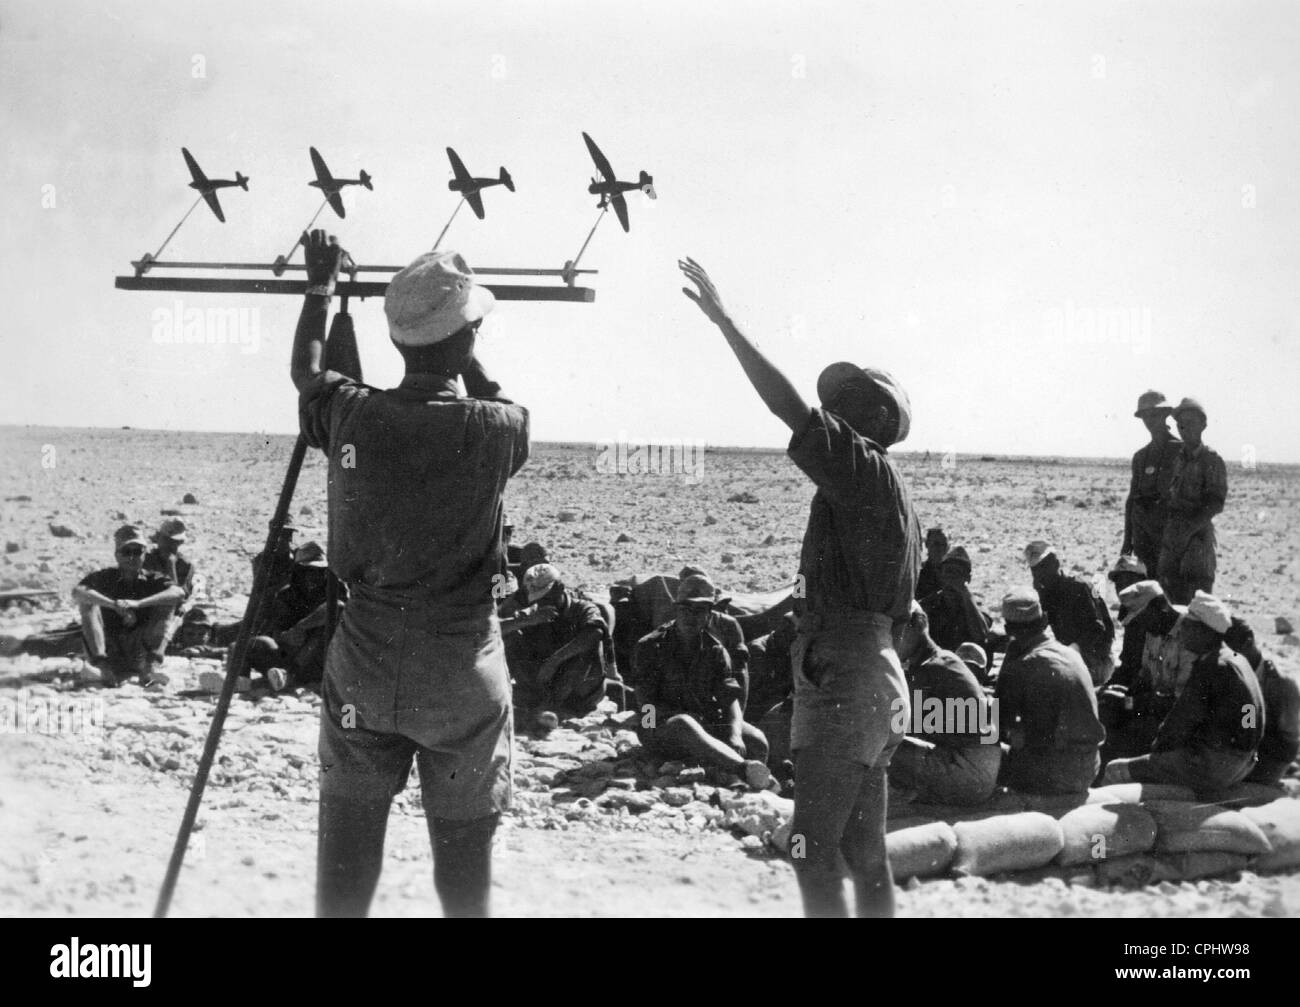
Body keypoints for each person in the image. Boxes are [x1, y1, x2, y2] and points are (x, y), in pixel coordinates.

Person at [294, 232, 528, 918]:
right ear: (466, 339)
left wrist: (322, 290)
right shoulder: (496, 427)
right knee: (463, 882)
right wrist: (463, 343)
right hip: (460, 671)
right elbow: (495, 395)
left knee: (344, 872)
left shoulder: (351, 413)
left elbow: (310, 371)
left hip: (364, 655)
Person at [680, 257, 921, 918]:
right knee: (865, 851)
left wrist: (726, 324)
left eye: (846, 402)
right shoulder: (889, 496)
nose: (831, 411)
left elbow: (791, 408)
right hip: (877, 677)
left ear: (872, 417)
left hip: (846, 682)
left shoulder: (863, 469)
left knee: (813, 850)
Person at [1102, 593, 1264, 796]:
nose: (1182, 631)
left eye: (1187, 626)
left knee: (1115, 769)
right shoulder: (1237, 661)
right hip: (1243, 761)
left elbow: (1180, 723)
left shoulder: (1211, 667)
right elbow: (1250, 714)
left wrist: (1155, 751)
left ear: (1204, 631)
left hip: (1213, 763)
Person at [633, 575, 771, 787]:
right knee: (683, 724)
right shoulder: (651, 646)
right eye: (685, 609)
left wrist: (735, 733)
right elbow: (646, 704)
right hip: (658, 725)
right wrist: (651, 738)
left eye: (699, 611)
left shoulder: (714, 650)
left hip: (702, 722)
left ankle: (747, 785)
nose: (691, 616)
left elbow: (729, 696)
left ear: (709, 615)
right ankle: (743, 771)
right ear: (676, 609)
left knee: (756, 739)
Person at [994, 589, 1106, 795]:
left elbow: (996, 723)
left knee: (980, 756)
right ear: (1044, 619)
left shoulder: (1025, 664)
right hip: (1089, 767)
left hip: (1054, 773)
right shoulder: (1070, 653)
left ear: (1009, 629)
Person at [890, 604, 1001, 806]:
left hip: (970, 773)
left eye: (897, 630)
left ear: (919, 625)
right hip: (977, 767)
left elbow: (897, 722)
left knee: (883, 749)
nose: (891, 639)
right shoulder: (941, 660)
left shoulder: (934, 667)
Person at [72, 525, 186, 688]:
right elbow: (78, 592)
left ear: (144, 554)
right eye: (126, 552)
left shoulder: (154, 578)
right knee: (88, 604)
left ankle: (150, 667)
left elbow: (178, 593)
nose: (132, 557)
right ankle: (102, 667)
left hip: (140, 650)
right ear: (117, 555)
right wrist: (113, 605)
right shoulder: (105, 577)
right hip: (109, 648)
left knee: (167, 605)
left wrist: (138, 604)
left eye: (137, 552)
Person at [502, 562, 610, 731]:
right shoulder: (534, 611)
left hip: (580, 691)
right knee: (510, 637)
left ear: (559, 588)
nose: (542, 603)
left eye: (546, 598)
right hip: (543, 684)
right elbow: (494, 627)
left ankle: (551, 708)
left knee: (587, 646)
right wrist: (525, 621)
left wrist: (555, 660)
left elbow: (595, 633)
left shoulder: (582, 608)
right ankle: (538, 706)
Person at [1097, 579, 1185, 767]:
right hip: (1155, 708)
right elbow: (1146, 677)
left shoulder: (1190, 633)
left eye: (1142, 618)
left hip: (1177, 718)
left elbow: (1183, 701)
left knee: (1133, 735)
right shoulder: (1153, 630)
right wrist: (1123, 692)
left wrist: (1131, 702)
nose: (1140, 626)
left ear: (1161, 606)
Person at [1157, 398, 1228, 604]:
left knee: (1197, 599)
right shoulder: (1178, 458)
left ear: (1203, 425)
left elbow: (1216, 501)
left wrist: (1189, 529)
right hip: (1173, 536)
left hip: (1196, 537)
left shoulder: (1211, 460)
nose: (1185, 427)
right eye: (1181, 423)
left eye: (1191, 422)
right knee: (1170, 596)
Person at [1025, 540, 1115, 686]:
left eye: (1043, 567)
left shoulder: (1079, 588)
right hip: (1072, 657)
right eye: (1035, 570)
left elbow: (1097, 629)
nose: (1039, 574)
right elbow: (1039, 626)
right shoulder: (1048, 592)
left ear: (1055, 563)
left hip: (1096, 660)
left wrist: (1070, 652)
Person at [1224, 618, 1299, 786]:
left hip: (1270, 757)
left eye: (1232, 648)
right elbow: (1246, 721)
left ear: (1248, 642)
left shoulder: (1281, 683)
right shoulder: (1234, 671)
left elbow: (1289, 742)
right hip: (1243, 749)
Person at [1120, 391, 1182, 576]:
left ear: (1165, 415)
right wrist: (1127, 540)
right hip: (1143, 535)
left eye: (1154, 414)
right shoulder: (1141, 457)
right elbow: (1132, 500)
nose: (1149, 420)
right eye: (1145, 415)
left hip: (1170, 535)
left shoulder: (1181, 451)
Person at [919, 546, 992, 660]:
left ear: (967, 578)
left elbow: (981, 635)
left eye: (957, 573)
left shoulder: (975, 604)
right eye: (948, 572)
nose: (951, 578)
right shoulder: (930, 604)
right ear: (941, 575)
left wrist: (965, 594)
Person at [915, 528, 948, 600]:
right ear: (927, 544)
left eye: (944, 544)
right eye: (936, 544)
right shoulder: (918, 573)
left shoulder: (952, 573)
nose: (940, 549)